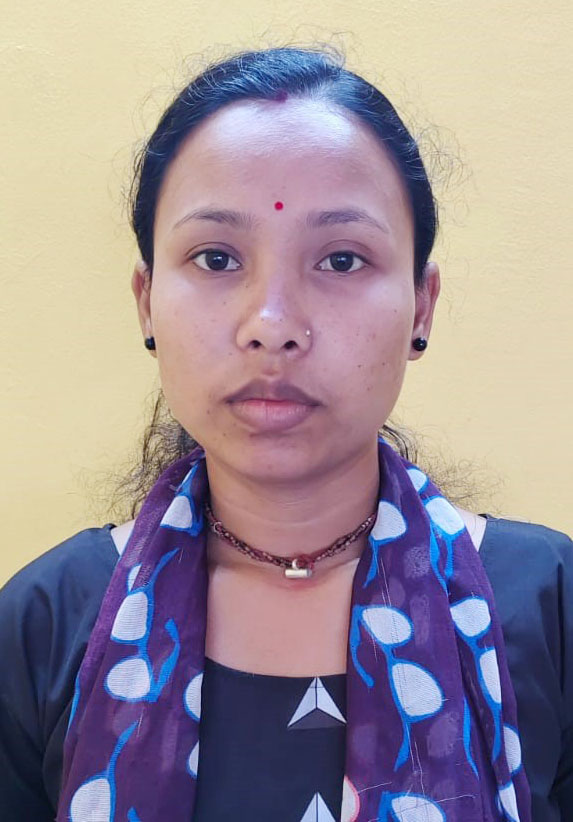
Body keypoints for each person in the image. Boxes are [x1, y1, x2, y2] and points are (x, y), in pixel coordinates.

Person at [0, 46, 571, 822]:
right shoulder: (46, 621)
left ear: (421, 305)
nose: (271, 326)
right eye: (215, 258)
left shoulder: (549, 605)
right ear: (145, 301)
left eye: (341, 259)